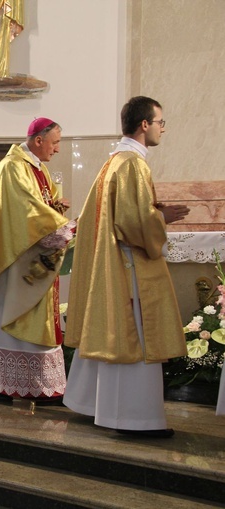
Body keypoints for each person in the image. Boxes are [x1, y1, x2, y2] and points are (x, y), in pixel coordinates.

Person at [64, 96, 190, 437]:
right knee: (134, 342)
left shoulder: (113, 162)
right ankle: (134, 419)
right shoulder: (133, 163)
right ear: (144, 125)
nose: (163, 128)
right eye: (160, 122)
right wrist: (161, 218)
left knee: (114, 337)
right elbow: (134, 223)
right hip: (131, 268)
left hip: (116, 265)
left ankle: (95, 404)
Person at [0, 118, 73, 402]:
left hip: (27, 255)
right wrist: (61, 226)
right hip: (11, 261)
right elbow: (25, 211)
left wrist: (55, 209)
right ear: (38, 140)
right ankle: (4, 381)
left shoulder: (38, 168)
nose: (57, 150)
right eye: (54, 143)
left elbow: (38, 207)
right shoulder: (13, 167)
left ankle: (13, 381)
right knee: (7, 316)